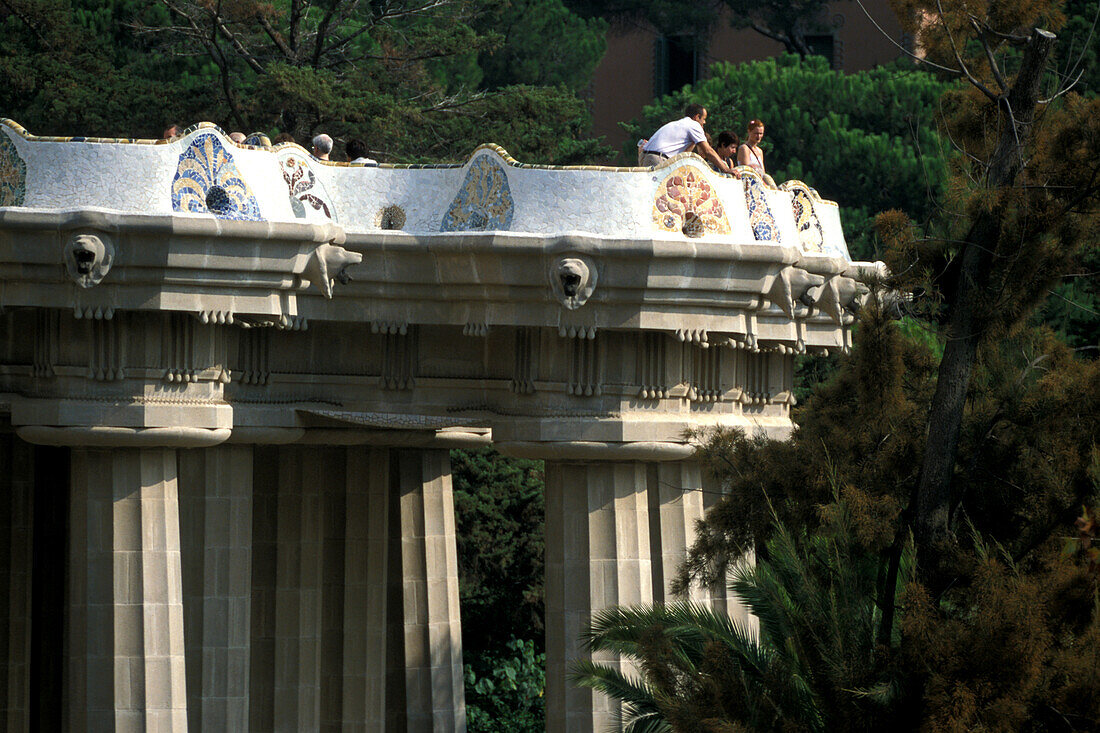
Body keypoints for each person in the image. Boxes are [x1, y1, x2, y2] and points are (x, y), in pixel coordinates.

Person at [640, 104, 734, 175]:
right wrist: (726, 169)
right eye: (704, 118)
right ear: (697, 117)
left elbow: (683, 155)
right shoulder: (694, 125)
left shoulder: (679, 124)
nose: (704, 122)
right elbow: (708, 151)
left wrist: (693, 141)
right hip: (658, 159)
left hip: (646, 157)